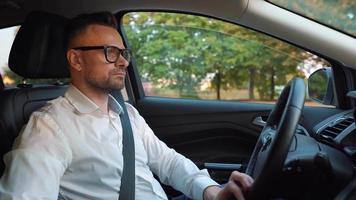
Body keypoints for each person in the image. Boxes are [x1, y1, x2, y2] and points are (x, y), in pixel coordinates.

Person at [0, 12, 253, 200]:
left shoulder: (126, 112)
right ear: (76, 59)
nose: (123, 62)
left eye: (124, 53)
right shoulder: (49, 128)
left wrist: (211, 191)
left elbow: (167, 162)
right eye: (111, 52)